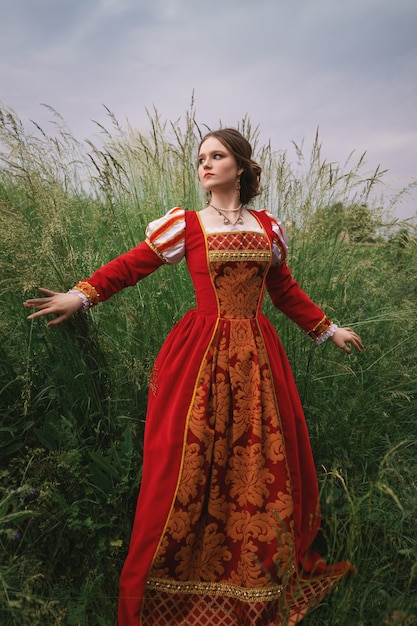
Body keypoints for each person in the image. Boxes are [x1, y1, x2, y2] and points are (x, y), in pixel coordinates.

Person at [24, 128, 363, 626]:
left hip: (257, 359)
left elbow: (284, 290)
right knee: (188, 461)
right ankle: (173, 584)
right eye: (200, 157)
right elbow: (133, 265)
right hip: (199, 356)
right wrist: (81, 295)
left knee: (250, 461)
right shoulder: (186, 225)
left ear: (242, 166)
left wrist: (328, 328)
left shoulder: (269, 227)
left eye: (217, 155)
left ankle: (247, 574)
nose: (205, 164)